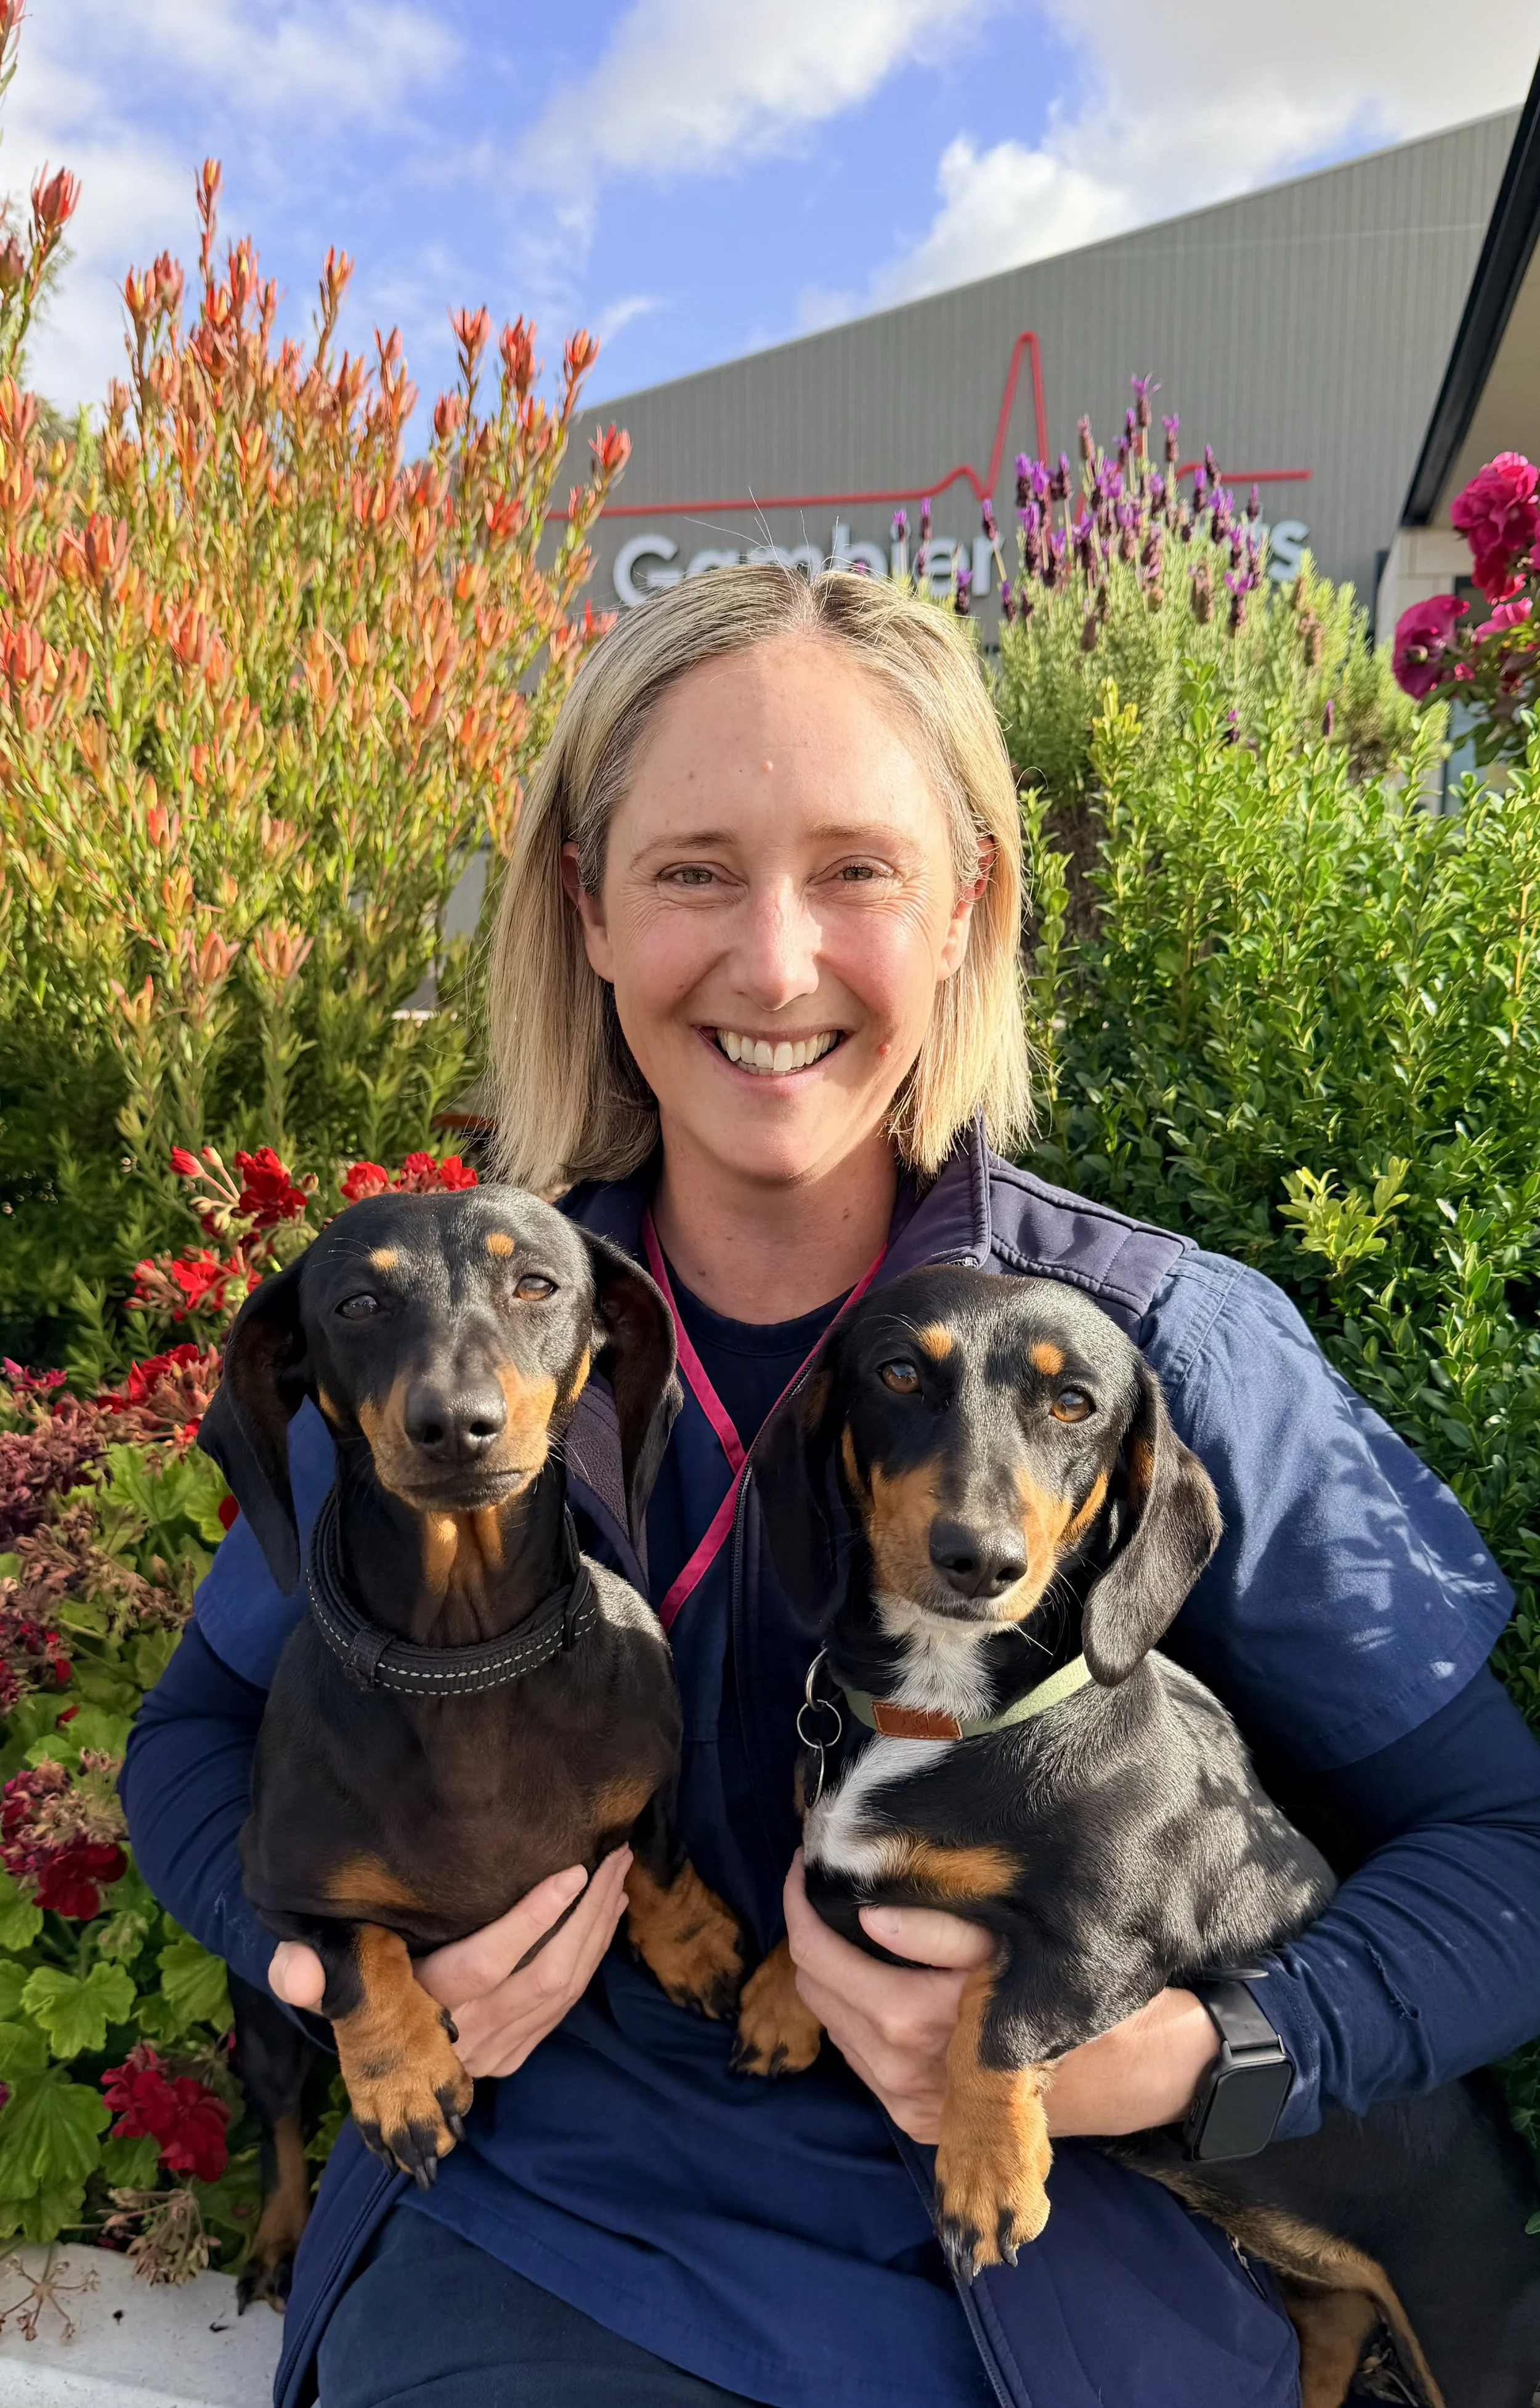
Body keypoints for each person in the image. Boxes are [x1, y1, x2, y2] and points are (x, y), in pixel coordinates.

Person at [123, 567, 1540, 2408]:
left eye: (856, 869)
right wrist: (349, 1983)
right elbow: (194, 1742)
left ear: (966, 905)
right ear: (591, 909)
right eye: (695, 868)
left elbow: (1505, 1857)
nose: (773, 962)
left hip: (1056, 2259)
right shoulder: (454, 1344)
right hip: (547, 2248)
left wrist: (1199, 2055)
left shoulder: (1154, 1349)